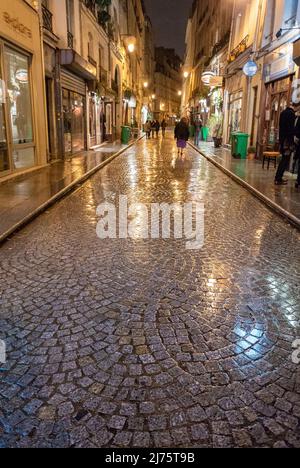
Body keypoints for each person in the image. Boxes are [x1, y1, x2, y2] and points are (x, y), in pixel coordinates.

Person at [275, 103, 296, 185]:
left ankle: (278, 177)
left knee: (284, 159)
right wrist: (292, 142)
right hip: (287, 142)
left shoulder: (283, 112)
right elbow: (290, 130)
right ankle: (278, 178)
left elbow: (281, 128)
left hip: (283, 140)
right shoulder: (291, 114)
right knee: (285, 160)